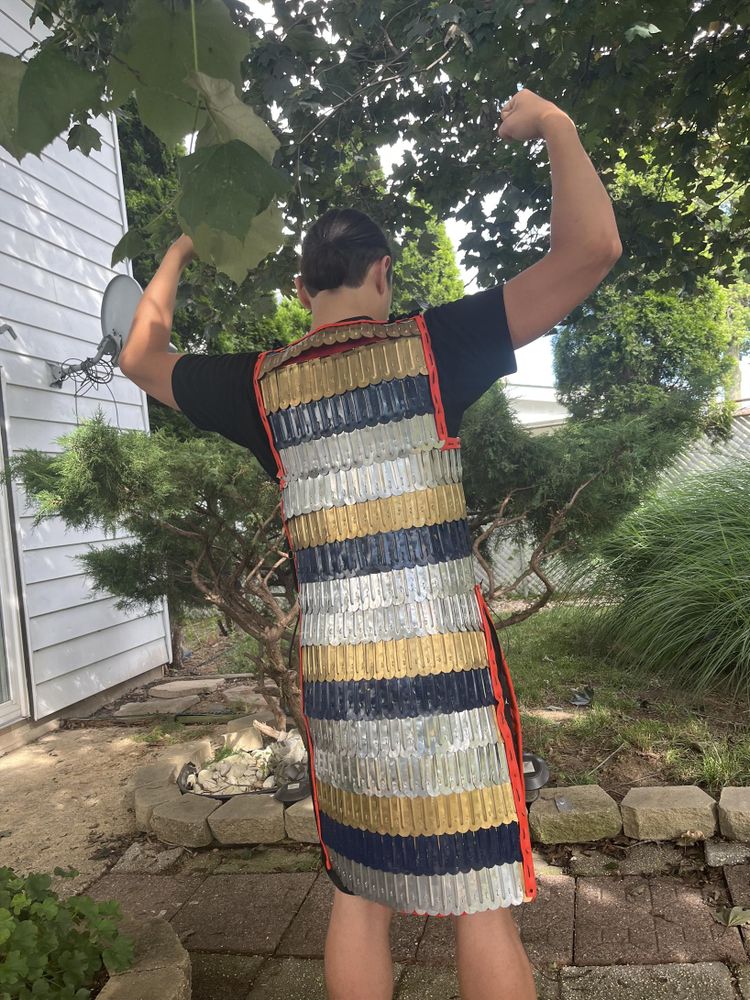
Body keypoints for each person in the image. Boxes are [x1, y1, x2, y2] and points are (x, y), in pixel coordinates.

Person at [120, 87, 621, 1000]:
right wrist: (557, 125)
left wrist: (187, 243)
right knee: (482, 901)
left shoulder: (257, 386)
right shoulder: (438, 346)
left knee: (358, 896)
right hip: (450, 675)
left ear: (300, 290)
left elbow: (139, 355)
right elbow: (592, 250)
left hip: (342, 683)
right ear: (385, 273)